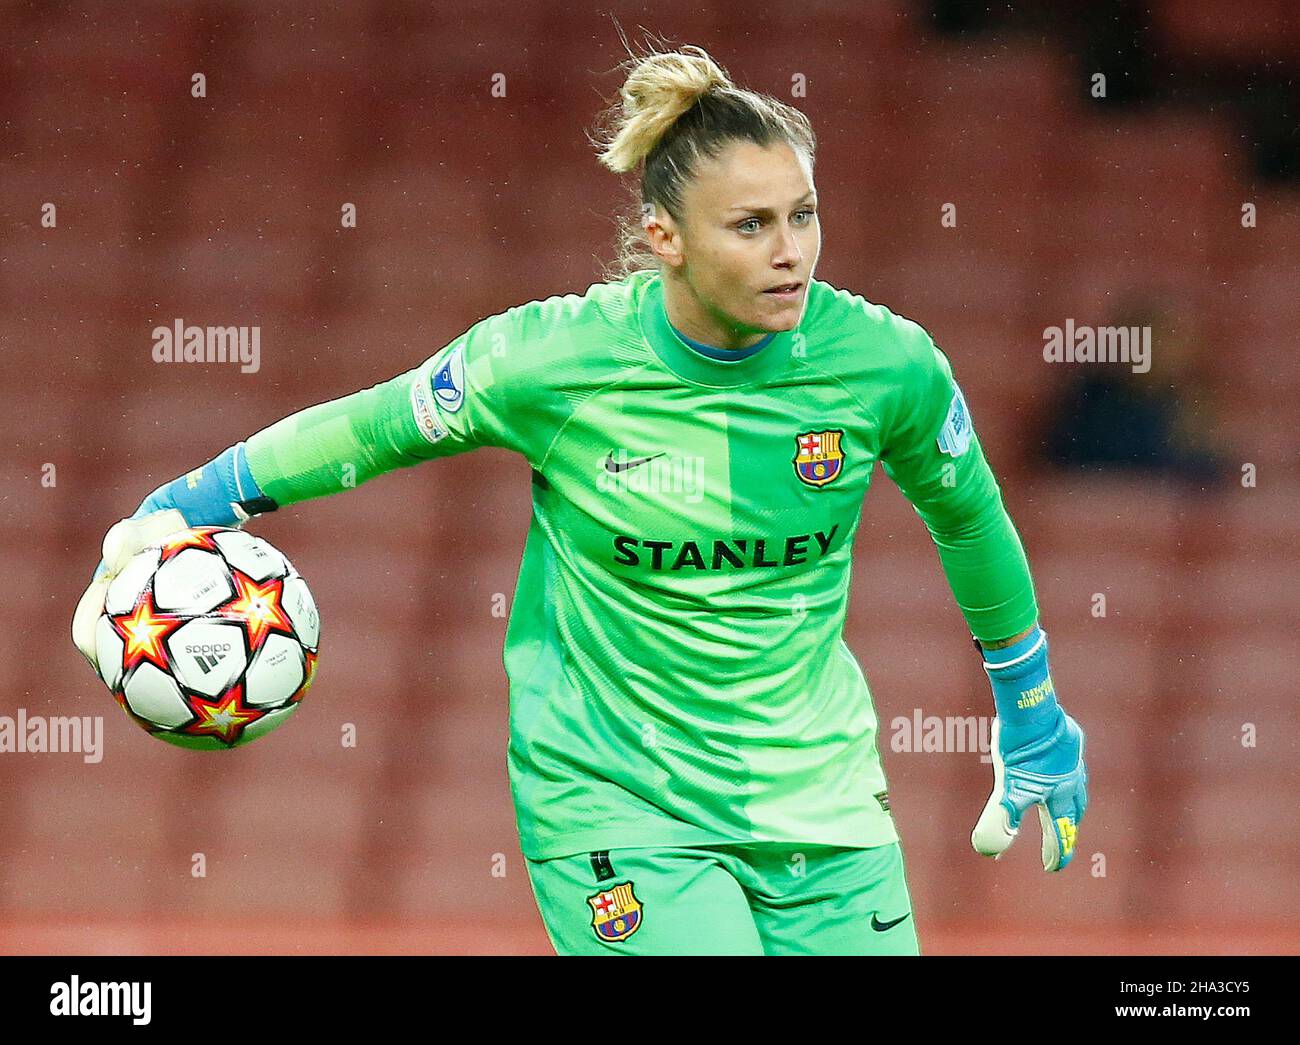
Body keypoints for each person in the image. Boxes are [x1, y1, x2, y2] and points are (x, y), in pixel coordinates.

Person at [72, 44, 1087, 956]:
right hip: (614, 799)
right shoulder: (550, 359)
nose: (791, 251)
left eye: (802, 214)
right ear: (664, 237)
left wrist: (1031, 709)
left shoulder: (884, 364)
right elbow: (375, 427)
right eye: (751, 225)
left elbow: (969, 517)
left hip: (820, 800)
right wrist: (190, 501)